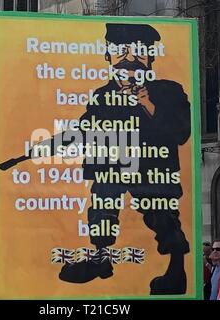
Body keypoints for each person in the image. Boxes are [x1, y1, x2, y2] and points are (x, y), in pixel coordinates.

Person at [58, 23, 191, 295]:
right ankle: (101, 258)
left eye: (138, 53)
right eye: (121, 52)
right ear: (109, 56)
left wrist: (148, 105)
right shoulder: (103, 95)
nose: (130, 60)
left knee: (163, 215)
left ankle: (176, 269)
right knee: (103, 203)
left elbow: (181, 133)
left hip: (153, 171)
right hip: (113, 169)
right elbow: (88, 126)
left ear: (151, 57)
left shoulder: (169, 91)